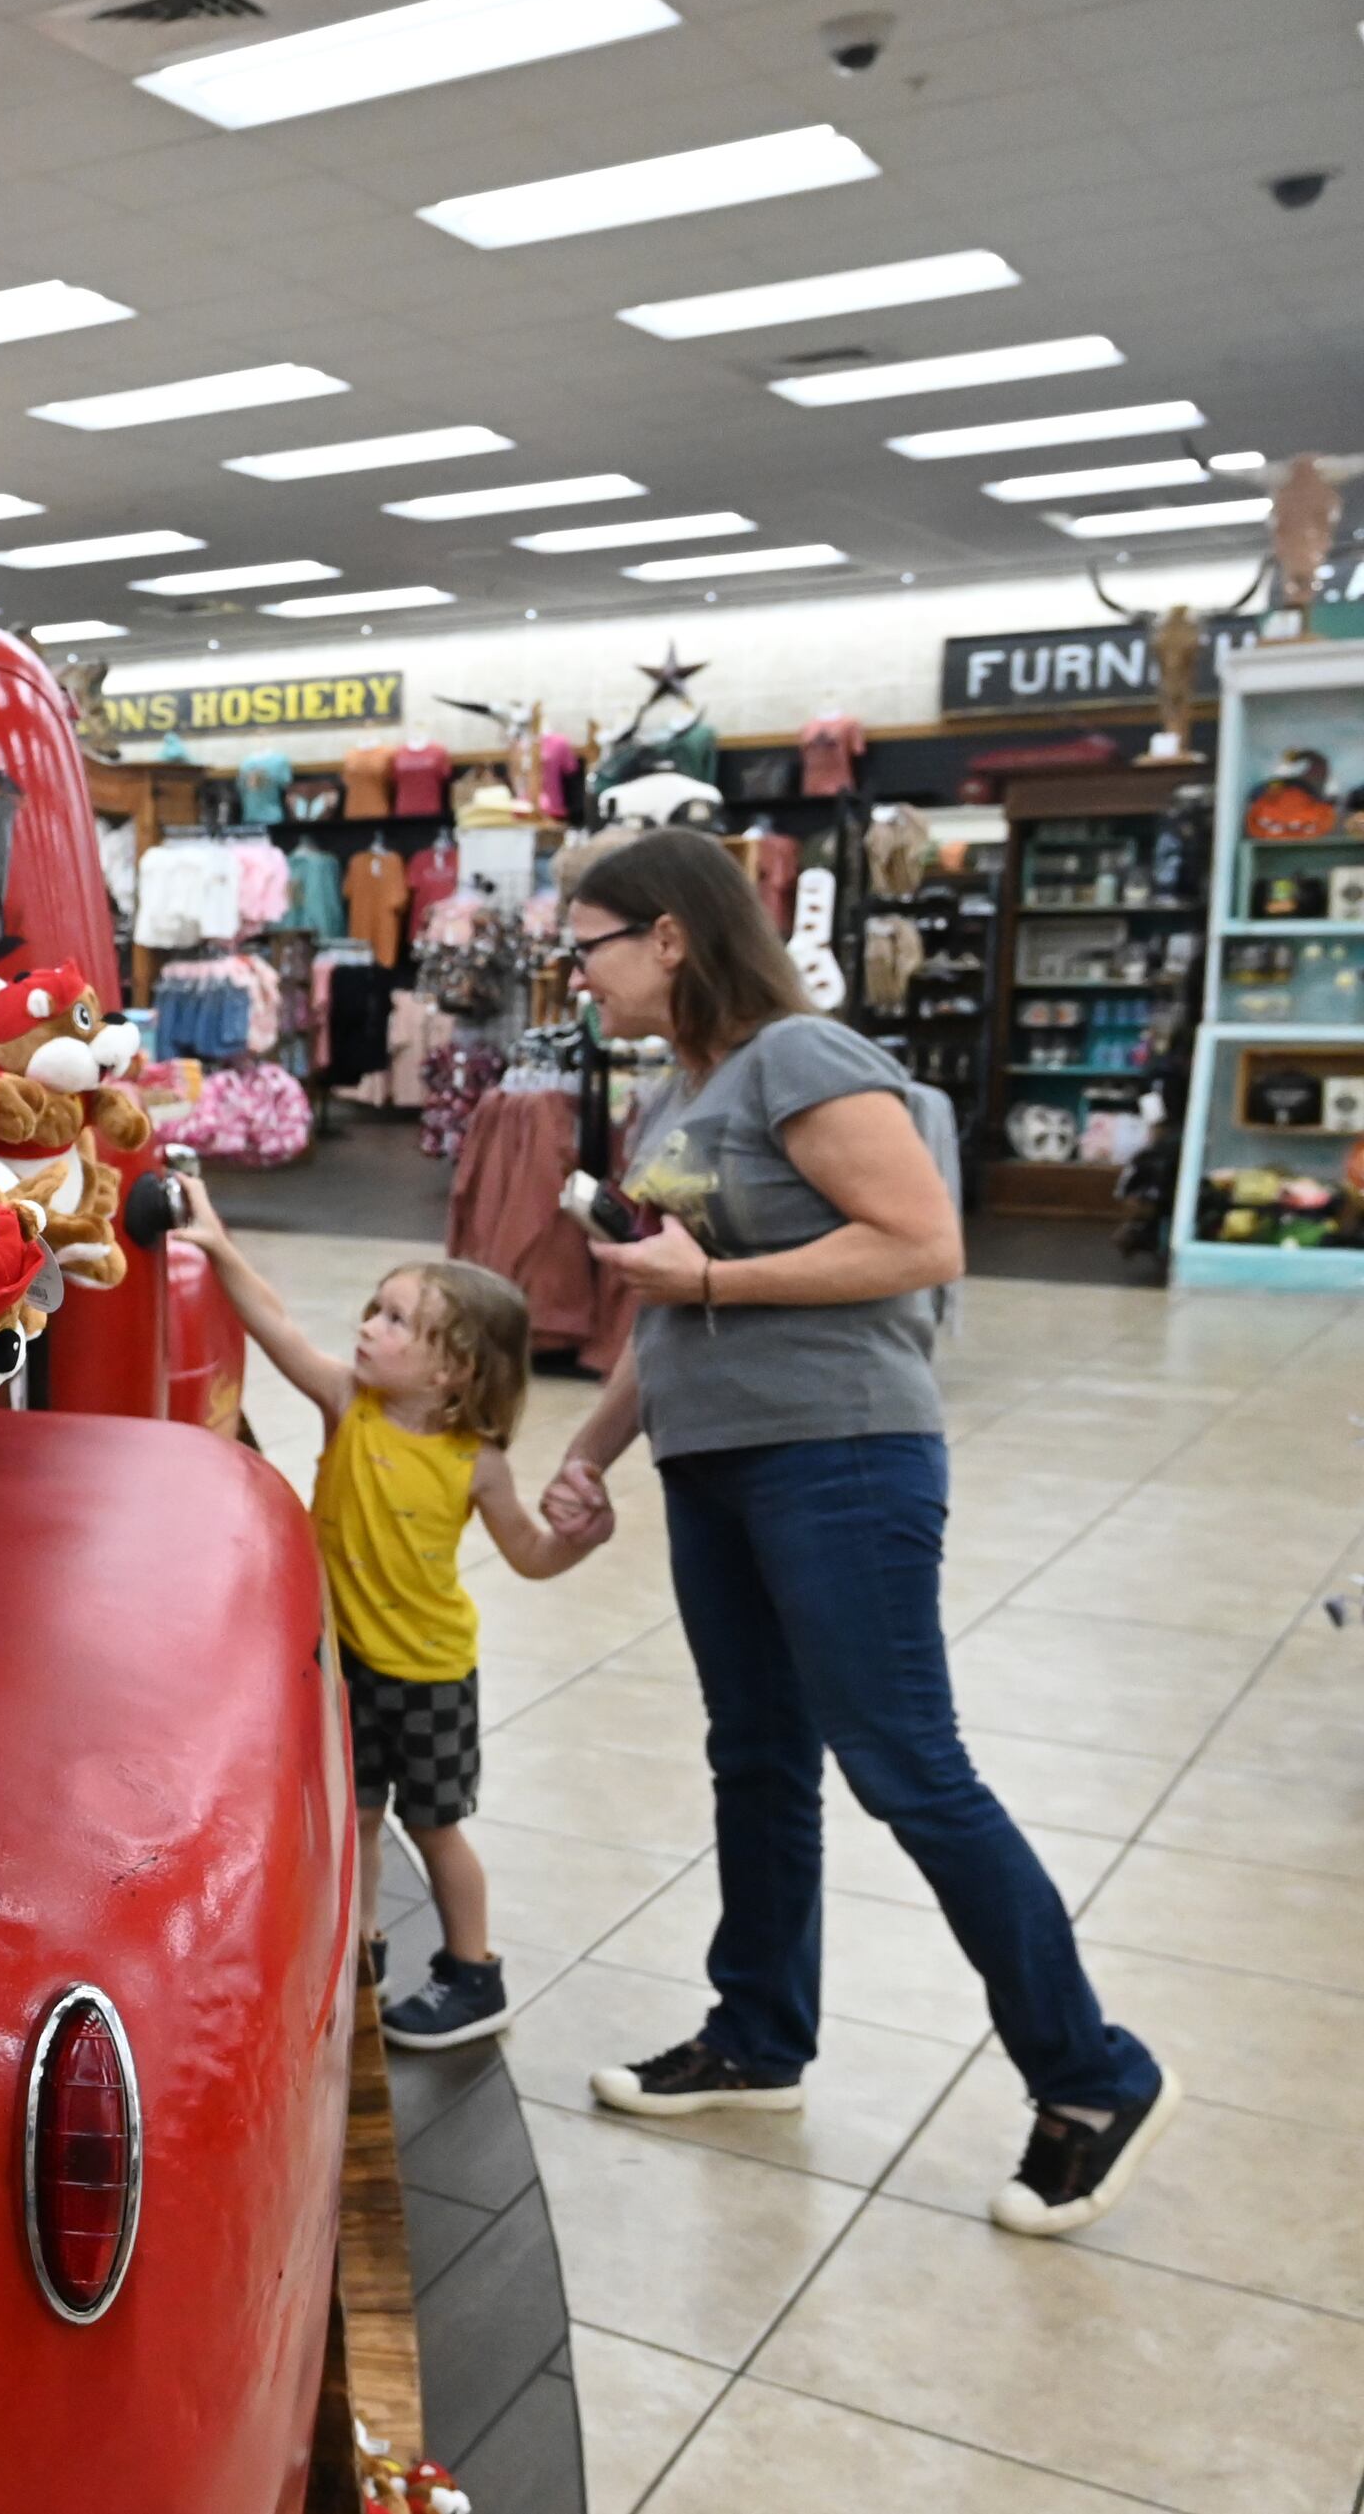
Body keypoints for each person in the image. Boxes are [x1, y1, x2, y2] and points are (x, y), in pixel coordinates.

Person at [542, 827, 1171, 2236]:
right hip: (720, 1466)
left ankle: (1091, 2073)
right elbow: (676, 1298)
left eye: (586, 945)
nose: (574, 977)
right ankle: (758, 2035)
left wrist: (715, 1273)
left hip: (840, 1457)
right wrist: (588, 1452)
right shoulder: (685, 1095)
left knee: (906, 1767)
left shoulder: (801, 1057)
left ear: (667, 937)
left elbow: (919, 1241)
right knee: (758, 1759)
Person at [180, 1182, 608, 2047]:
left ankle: (473, 1971)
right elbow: (276, 1327)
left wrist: (582, 1541)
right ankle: (360, 1947)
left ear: (454, 1368)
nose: (368, 1325)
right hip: (348, 1662)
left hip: (433, 1674)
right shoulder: (349, 1404)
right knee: (361, 1814)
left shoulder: (473, 1460)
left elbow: (529, 1553)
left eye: (398, 1320)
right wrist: (219, 1246)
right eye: (375, 1309)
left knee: (436, 1827)